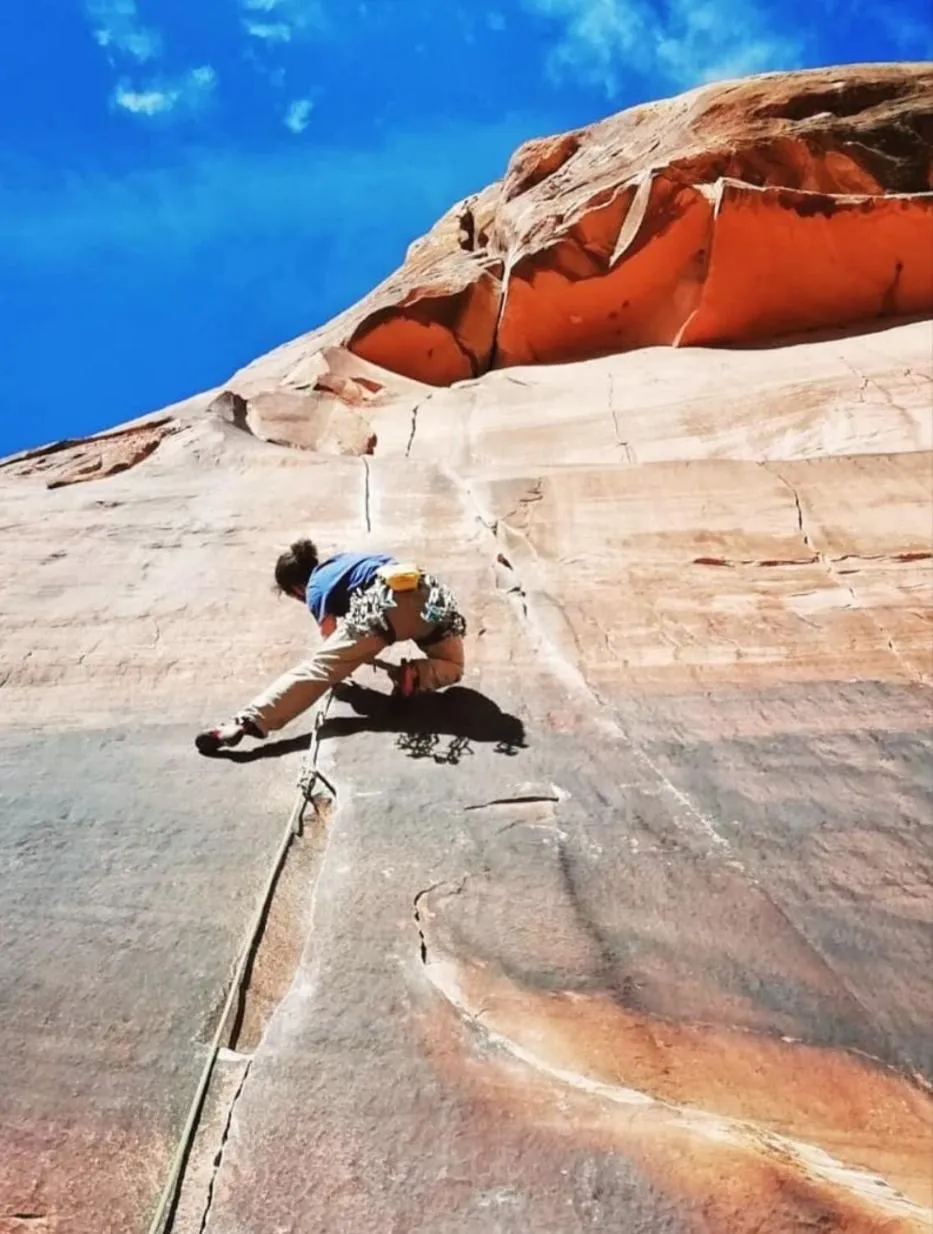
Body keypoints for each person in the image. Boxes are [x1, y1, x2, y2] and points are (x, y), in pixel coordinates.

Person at [195, 539, 467, 754]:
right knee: (453, 666)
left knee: (320, 669)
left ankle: (245, 721)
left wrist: (347, 663)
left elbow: (329, 639)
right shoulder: (345, 560)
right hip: (428, 598)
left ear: (297, 589)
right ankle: (417, 675)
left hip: (383, 608)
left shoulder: (314, 586)